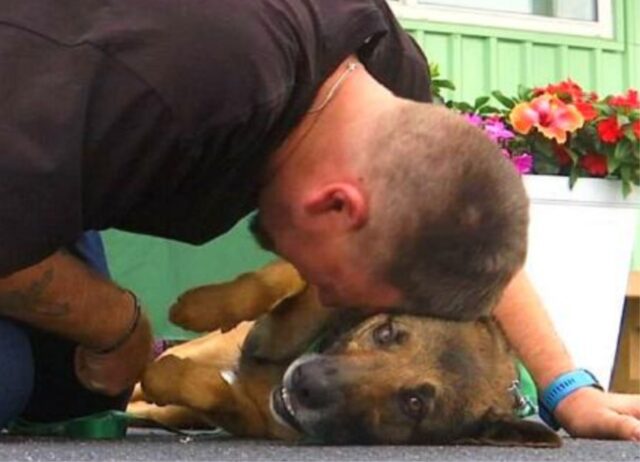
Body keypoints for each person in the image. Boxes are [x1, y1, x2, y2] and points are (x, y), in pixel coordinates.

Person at [0, 0, 638, 441]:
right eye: (339, 290)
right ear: (339, 206)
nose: (322, 300)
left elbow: (461, 239)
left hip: (41, 155)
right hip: (32, 101)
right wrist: (120, 326)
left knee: (71, 389)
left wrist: (566, 391)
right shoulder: (177, 89)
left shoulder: (379, 77)